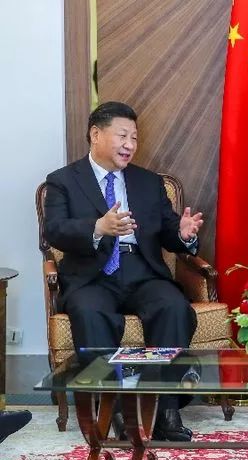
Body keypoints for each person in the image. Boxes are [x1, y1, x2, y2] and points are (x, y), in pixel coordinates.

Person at [44, 101, 204, 442]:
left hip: (141, 269)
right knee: (90, 312)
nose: (130, 144)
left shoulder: (148, 182)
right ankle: (115, 410)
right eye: (122, 136)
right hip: (91, 274)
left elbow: (168, 230)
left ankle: (166, 410)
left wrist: (183, 234)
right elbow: (54, 230)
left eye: (134, 138)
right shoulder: (62, 181)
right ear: (95, 134)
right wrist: (97, 227)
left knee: (173, 307)